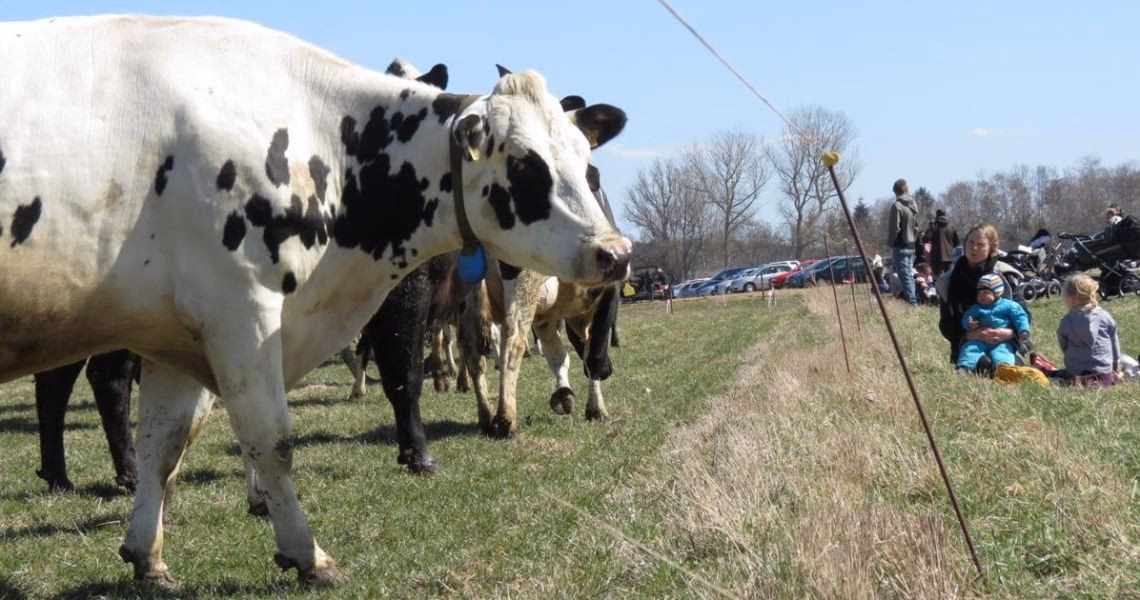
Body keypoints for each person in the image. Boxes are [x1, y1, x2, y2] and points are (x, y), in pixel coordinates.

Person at [938, 224, 1021, 364]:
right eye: (970, 242)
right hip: (967, 343)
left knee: (1002, 365)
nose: (974, 248)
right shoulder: (947, 281)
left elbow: (1022, 313)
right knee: (983, 364)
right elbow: (946, 323)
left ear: (991, 248)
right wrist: (970, 335)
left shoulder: (1006, 276)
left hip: (1004, 341)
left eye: (981, 244)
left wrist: (1007, 333)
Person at [1049, 274, 1121, 387]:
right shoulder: (1105, 316)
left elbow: (1064, 345)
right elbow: (1114, 343)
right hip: (1105, 375)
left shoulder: (1067, 321)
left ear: (1071, 299)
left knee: (1056, 375)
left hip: (1076, 374)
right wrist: (1116, 365)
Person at [956, 274, 1031, 375]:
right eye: (979, 292)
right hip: (979, 340)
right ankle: (965, 367)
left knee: (1003, 352)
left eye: (985, 292)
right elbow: (966, 318)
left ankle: (1003, 370)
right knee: (970, 348)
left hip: (1002, 341)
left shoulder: (1008, 305)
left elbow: (1020, 316)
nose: (981, 295)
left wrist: (1023, 330)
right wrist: (970, 324)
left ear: (997, 293)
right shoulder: (976, 308)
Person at [886, 178, 919, 305]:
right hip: (911, 244)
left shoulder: (897, 206)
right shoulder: (913, 204)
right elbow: (916, 226)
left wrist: (891, 242)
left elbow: (895, 228)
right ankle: (913, 299)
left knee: (904, 276)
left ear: (895, 191)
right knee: (909, 275)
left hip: (900, 244)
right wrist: (913, 238)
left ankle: (912, 303)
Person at [928, 209, 960, 277]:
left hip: (936, 256)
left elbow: (926, 238)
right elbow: (957, 242)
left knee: (937, 278)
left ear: (936, 215)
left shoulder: (933, 226)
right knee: (949, 277)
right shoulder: (951, 227)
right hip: (949, 256)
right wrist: (950, 248)